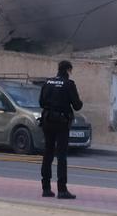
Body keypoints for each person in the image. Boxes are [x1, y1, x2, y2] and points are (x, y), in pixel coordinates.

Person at [39, 60, 83, 200]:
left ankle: (46, 188)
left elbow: (41, 102)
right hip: (62, 122)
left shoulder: (48, 82)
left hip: (47, 121)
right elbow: (77, 105)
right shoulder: (69, 84)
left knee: (48, 154)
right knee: (62, 156)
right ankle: (62, 190)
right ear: (69, 70)